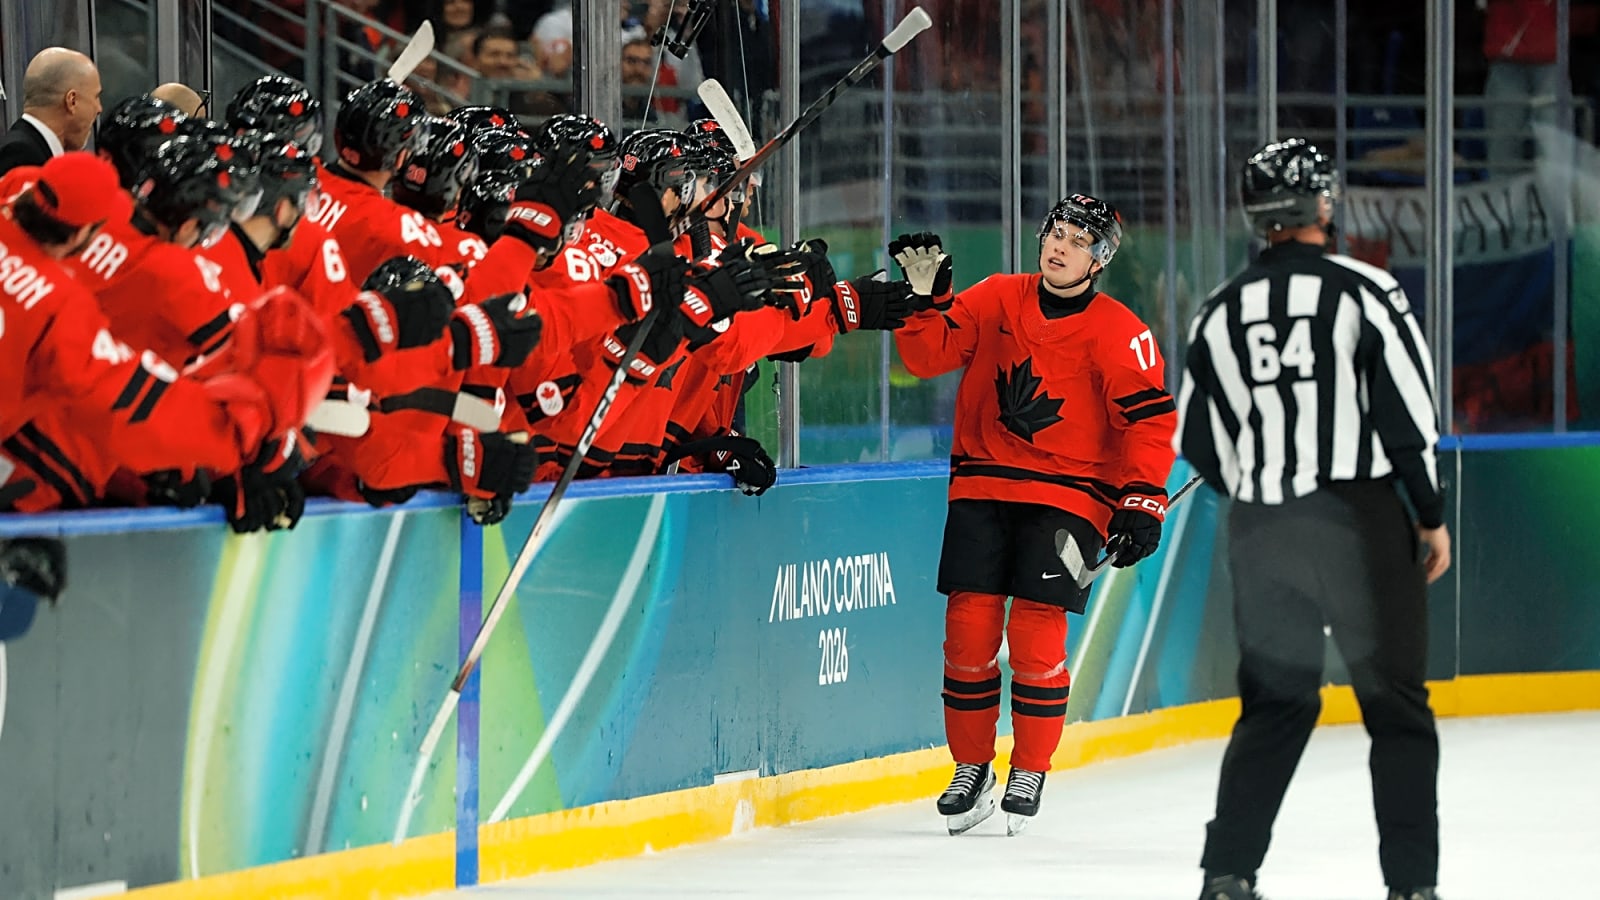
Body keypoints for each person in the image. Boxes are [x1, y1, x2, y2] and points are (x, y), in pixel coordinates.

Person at [1174, 139, 1449, 900]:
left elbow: (1197, 440)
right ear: (1323, 205)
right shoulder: (1368, 292)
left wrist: (1262, 494)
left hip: (1261, 526)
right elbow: (1407, 419)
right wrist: (1430, 515)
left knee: (1276, 704)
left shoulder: (1219, 311)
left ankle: (1227, 874)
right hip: (1360, 523)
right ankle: (1412, 887)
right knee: (1395, 706)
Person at [892, 195, 1178, 836]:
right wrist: (923, 303)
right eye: (1056, 232)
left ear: (1099, 259)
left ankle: (1030, 765)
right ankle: (970, 766)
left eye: (1078, 239)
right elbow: (926, 357)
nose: (1059, 245)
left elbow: (1150, 423)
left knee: (1036, 635)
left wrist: (1141, 497)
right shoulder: (995, 296)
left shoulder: (1120, 332)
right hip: (983, 485)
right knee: (967, 633)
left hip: (1071, 496)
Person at [0, 48, 103, 175]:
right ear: (72, 101)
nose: (99, 108)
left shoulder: (32, 149)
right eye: (96, 96)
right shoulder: (21, 156)